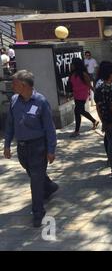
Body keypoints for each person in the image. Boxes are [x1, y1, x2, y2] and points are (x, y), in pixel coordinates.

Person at [3, 70, 59, 228]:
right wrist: (7, 145)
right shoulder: (14, 100)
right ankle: (49, 187)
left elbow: (49, 128)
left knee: (35, 180)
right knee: (34, 175)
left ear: (23, 85)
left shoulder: (40, 101)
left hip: (38, 147)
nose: (11, 86)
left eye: (13, 83)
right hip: (22, 148)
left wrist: (51, 149)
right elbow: (10, 125)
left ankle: (38, 213)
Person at [69, 58, 99, 138]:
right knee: (81, 110)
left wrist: (96, 92)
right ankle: (94, 121)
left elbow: (89, 85)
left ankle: (76, 131)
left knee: (77, 111)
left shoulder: (83, 74)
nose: (71, 65)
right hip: (76, 94)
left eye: (73, 64)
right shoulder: (73, 74)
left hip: (82, 94)